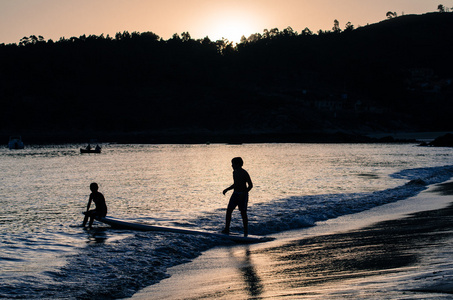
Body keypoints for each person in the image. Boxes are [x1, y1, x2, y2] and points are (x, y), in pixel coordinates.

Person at [222, 157, 253, 237]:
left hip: (243, 195)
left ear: (238, 164)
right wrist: (227, 189)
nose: (231, 165)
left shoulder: (244, 173)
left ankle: (246, 231)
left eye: (233, 164)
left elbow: (250, 185)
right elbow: (235, 184)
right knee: (229, 210)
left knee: (243, 213)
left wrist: (244, 193)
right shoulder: (234, 172)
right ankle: (227, 229)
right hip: (235, 194)